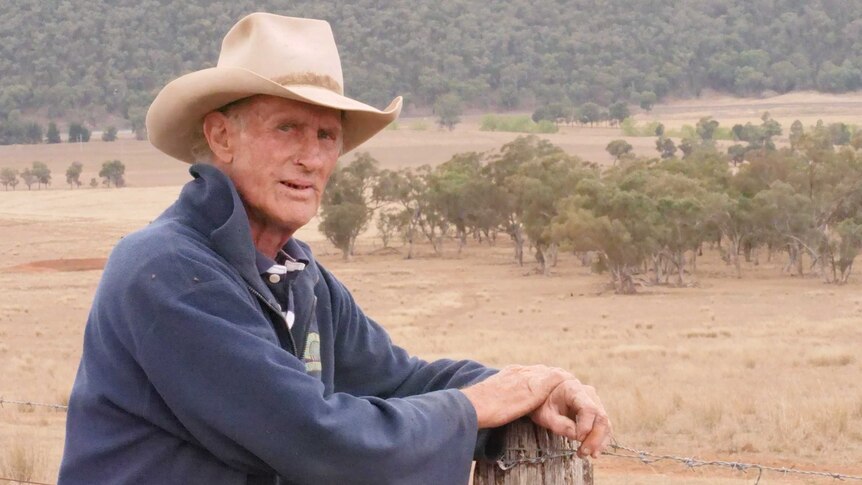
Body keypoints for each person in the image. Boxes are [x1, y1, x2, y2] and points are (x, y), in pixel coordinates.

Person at [59, 13, 611, 485]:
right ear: (222, 137)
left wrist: (531, 386)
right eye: (287, 128)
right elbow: (313, 437)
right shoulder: (168, 270)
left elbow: (398, 381)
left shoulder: (299, 275)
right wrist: (477, 407)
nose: (312, 157)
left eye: (327, 136)